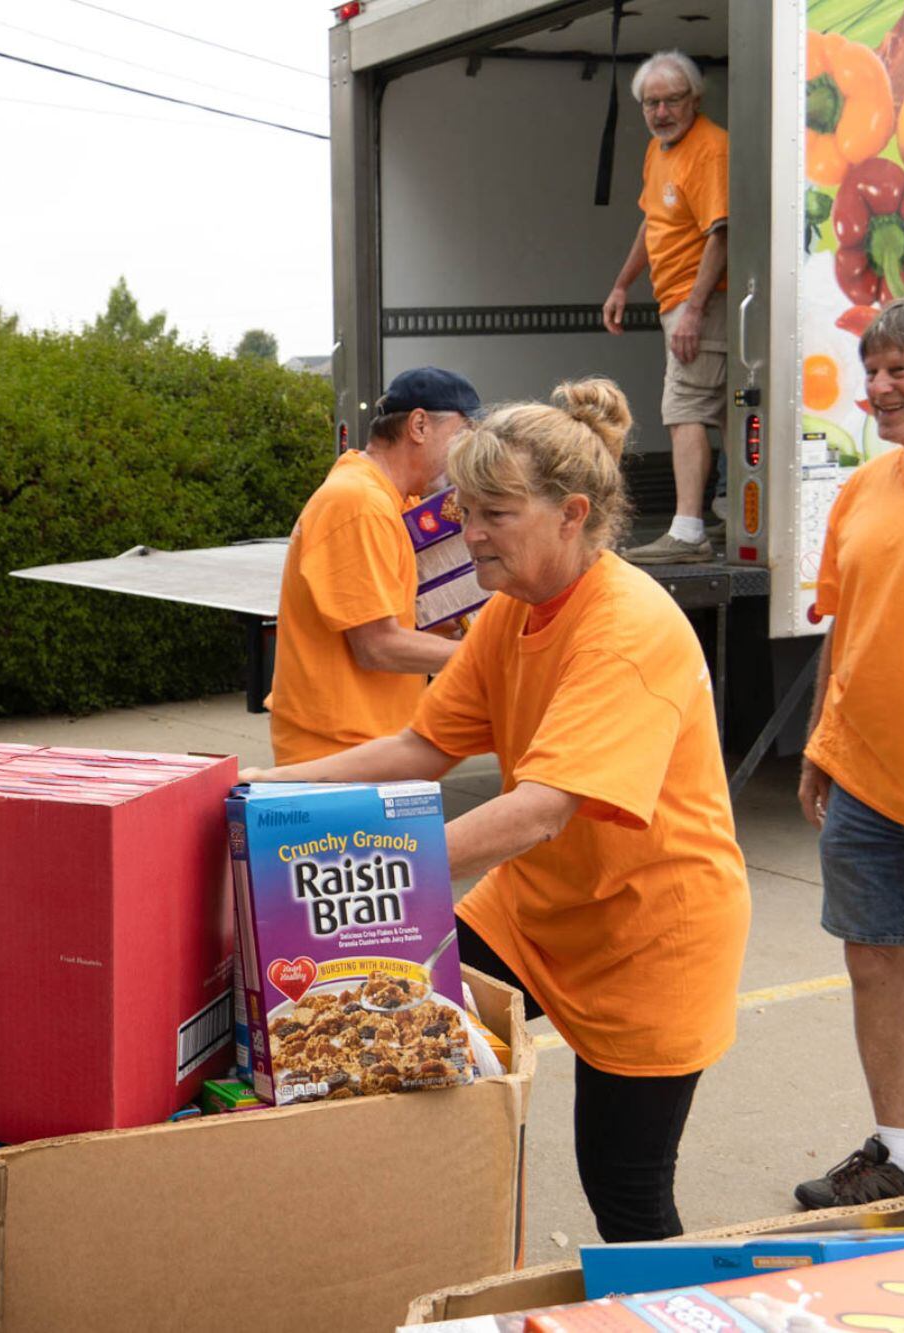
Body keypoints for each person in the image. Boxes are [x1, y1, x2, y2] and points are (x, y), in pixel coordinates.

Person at [244, 378, 751, 1242]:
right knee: (384, 1024)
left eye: (496, 514)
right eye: (463, 509)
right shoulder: (509, 614)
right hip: (536, 911)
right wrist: (260, 787)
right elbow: (421, 747)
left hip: (650, 935)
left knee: (626, 1194)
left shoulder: (625, 629)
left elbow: (539, 811)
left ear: (571, 513)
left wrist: (376, 875)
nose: (470, 533)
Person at [793, 296, 904, 1209]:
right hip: (873, 785)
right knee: (876, 963)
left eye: (902, 369)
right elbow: (843, 626)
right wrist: (818, 745)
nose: (879, 388)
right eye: (871, 370)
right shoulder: (866, 485)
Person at [265, 366, 478, 763]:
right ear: (418, 425)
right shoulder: (358, 504)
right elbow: (377, 646)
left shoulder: (393, 501)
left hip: (369, 749)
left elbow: (402, 623)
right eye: (462, 437)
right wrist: (486, 657)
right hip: (339, 753)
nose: (466, 455)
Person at [603, 49, 730, 565]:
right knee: (721, 412)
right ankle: (723, 515)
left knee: (685, 410)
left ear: (694, 99)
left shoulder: (711, 149)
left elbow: (721, 235)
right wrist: (621, 285)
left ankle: (687, 530)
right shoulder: (660, 151)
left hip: (701, 303)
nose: (660, 112)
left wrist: (695, 311)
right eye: (651, 103)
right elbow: (650, 222)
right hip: (674, 301)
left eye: (671, 100)